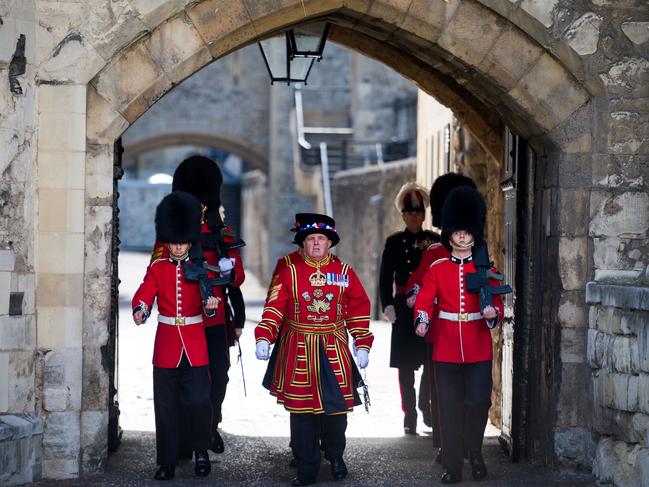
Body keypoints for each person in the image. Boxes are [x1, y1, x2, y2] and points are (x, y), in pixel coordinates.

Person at [255, 214, 374, 486]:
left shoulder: (344, 273)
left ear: (329, 242)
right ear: (303, 243)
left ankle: (336, 455)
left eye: (321, 238)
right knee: (303, 413)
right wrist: (264, 336)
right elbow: (274, 308)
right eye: (311, 239)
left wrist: (362, 342)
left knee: (336, 412)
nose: (316, 243)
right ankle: (307, 469)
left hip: (334, 348)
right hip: (298, 347)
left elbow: (358, 308)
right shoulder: (289, 272)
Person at [151, 155, 246, 455]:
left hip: (214, 321)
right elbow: (158, 273)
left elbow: (237, 279)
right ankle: (181, 440)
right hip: (181, 321)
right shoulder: (171, 237)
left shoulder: (223, 234)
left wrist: (227, 266)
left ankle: (208, 428)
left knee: (217, 378)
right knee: (179, 384)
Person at [414, 186, 504, 484]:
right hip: (447, 347)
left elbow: (496, 302)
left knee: (478, 403)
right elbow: (426, 298)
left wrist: (493, 313)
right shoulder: (438, 268)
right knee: (449, 408)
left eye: (467, 232)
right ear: (449, 234)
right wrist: (423, 319)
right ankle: (453, 465)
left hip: (478, 345)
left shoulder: (485, 269)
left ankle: (475, 454)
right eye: (458, 232)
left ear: (473, 234)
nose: (463, 237)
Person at [132, 191, 219, 480]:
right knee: (166, 407)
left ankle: (201, 452)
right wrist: (141, 308)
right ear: (167, 240)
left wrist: (210, 306)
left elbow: (209, 304)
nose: (179, 247)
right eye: (174, 242)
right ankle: (166, 461)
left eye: (183, 242)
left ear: (189, 240)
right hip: (167, 343)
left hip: (194, 344)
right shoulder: (158, 268)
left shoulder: (200, 269)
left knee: (198, 402)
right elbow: (146, 291)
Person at [405, 173, 477, 456]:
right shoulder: (435, 252)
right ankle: (447, 447)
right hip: (441, 333)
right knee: (444, 395)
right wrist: (420, 298)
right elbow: (415, 284)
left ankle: (471, 445)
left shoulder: (478, 252)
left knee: (474, 397)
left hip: (473, 336)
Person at [379, 182, 438, 434]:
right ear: (403, 215)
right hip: (403, 308)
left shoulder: (434, 241)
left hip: (429, 307)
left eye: (419, 213)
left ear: (424, 215)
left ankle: (425, 405)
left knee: (430, 360)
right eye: (410, 213)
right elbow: (384, 277)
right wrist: (388, 305)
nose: (415, 217)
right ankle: (410, 413)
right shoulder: (394, 242)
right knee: (405, 365)